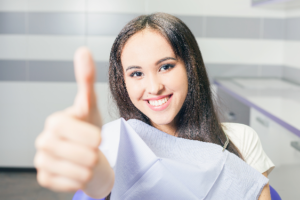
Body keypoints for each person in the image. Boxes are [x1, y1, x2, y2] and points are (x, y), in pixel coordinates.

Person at [34, 13, 274, 199]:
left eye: (166, 67)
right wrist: (91, 165)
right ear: (123, 82)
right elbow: (101, 183)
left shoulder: (239, 141)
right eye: (136, 73)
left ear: (191, 68)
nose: (154, 87)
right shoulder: (116, 142)